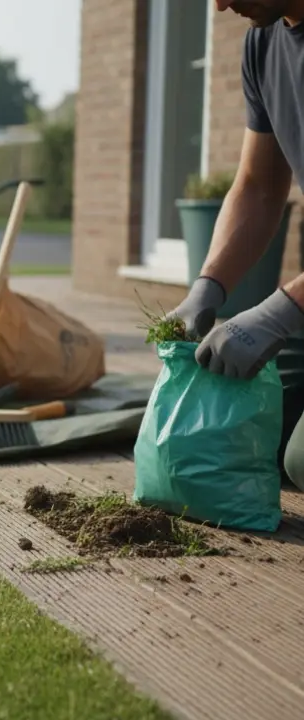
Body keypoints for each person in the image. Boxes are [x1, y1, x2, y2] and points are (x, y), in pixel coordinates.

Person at [168, 0, 304, 486]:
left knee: (300, 461)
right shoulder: (264, 42)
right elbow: (260, 185)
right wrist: (208, 287)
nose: (220, 4)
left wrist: (279, 311)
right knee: (252, 433)